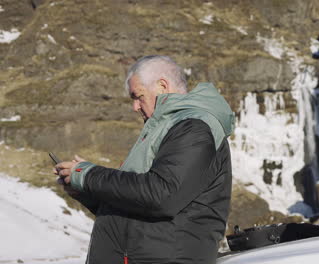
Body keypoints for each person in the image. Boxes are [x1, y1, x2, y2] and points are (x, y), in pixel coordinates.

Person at [54, 55, 235, 264]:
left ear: (162, 86)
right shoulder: (164, 129)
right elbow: (136, 205)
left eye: (138, 96)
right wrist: (87, 190)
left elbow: (162, 195)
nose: (135, 107)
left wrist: (90, 175)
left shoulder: (194, 128)